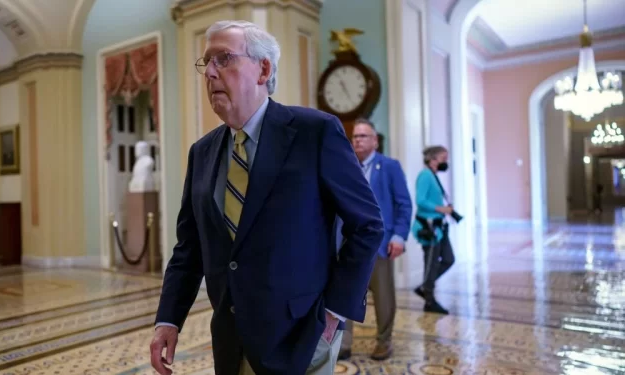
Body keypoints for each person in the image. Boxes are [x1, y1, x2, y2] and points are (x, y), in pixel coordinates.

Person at [149, 20, 384, 375]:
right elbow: (189, 247)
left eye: (223, 58)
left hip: (302, 335)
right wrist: (168, 319)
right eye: (206, 63)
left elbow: (367, 225)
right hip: (230, 338)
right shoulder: (202, 152)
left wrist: (335, 311)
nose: (210, 72)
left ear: (263, 69)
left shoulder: (314, 132)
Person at [336, 119, 412, 361]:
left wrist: (399, 236)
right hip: (348, 244)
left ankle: (383, 341)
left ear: (375, 141)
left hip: (380, 244)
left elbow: (403, 204)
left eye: (363, 136)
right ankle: (344, 343)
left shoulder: (389, 166)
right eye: (355, 136)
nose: (357, 140)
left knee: (383, 297)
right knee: (345, 294)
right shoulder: (345, 166)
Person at [412, 145, 454, 315]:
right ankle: (429, 300)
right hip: (428, 228)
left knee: (448, 259)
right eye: (443, 159)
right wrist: (440, 209)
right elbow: (420, 201)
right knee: (430, 264)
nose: (446, 162)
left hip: (439, 227)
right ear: (433, 159)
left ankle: (425, 286)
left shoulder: (433, 176)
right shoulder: (424, 175)